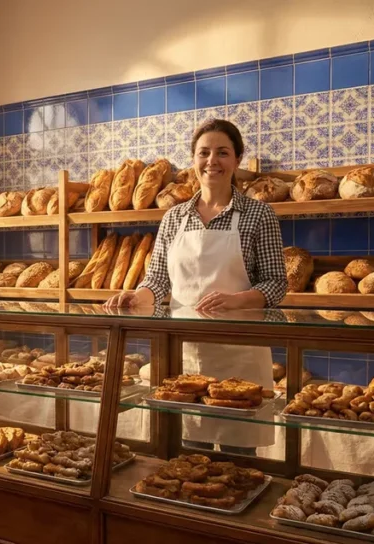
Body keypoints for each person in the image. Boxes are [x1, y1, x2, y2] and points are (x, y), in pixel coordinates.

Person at [104, 118, 287, 455]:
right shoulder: (174, 218)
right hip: (185, 356)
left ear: (236, 159)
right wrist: (136, 295)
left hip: (241, 356)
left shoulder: (259, 215)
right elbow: (157, 281)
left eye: (222, 152)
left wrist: (239, 300)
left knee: (240, 456)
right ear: (193, 160)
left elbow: (276, 283)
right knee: (189, 451)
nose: (212, 161)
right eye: (204, 153)